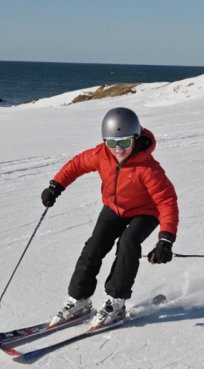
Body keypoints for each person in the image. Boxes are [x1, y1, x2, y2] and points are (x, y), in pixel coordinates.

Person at [40, 107, 179, 329]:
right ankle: (79, 300)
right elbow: (76, 165)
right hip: (115, 208)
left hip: (145, 212)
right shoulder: (101, 155)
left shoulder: (148, 168)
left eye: (124, 142)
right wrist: (56, 185)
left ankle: (116, 301)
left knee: (127, 243)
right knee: (94, 246)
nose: (118, 149)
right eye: (111, 143)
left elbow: (167, 202)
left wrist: (166, 240)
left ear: (135, 138)